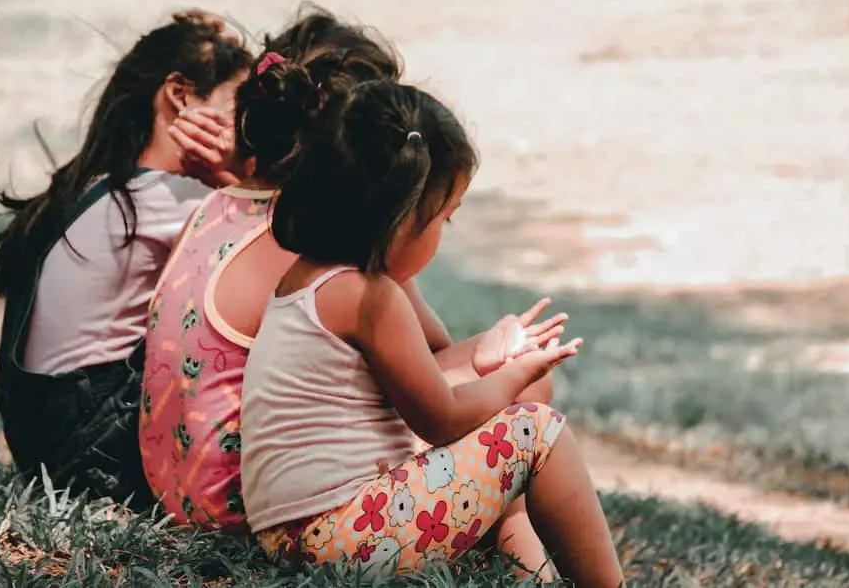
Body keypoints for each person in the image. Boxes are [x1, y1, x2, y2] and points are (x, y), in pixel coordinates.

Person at [144, 5, 562, 579]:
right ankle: (526, 564)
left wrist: (487, 351)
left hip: (191, 485)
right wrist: (506, 370)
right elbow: (432, 384)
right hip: (253, 503)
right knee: (527, 392)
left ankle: (524, 563)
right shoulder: (325, 247)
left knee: (506, 384)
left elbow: (423, 354)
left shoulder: (225, 204)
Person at [240, 75, 626, 587]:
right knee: (537, 431)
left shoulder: (309, 278)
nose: (443, 232)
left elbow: (415, 390)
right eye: (445, 217)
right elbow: (441, 420)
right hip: (342, 536)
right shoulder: (370, 298)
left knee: (508, 430)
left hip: (294, 534)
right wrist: (516, 376)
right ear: (400, 217)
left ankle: (532, 578)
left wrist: (489, 364)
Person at [0, 10, 253, 507]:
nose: (243, 128)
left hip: (49, 447)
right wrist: (235, 176)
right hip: (94, 459)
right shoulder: (168, 200)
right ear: (180, 95)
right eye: (236, 105)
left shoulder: (97, 188)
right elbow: (286, 248)